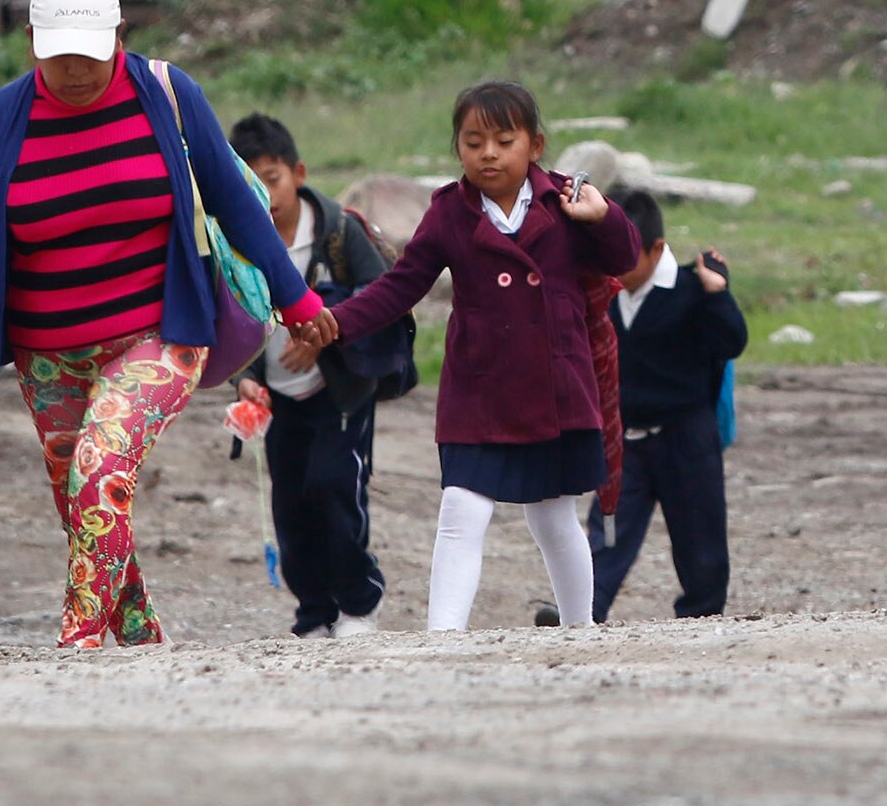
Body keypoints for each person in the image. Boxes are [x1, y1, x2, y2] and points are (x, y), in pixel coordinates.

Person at [0, 0, 330, 648]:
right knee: (85, 501)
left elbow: (238, 205)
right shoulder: (0, 120)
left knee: (100, 468)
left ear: (120, 34)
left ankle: (79, 638)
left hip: (157, 332)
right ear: (31, 41)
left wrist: (296, 298)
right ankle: (141, 635)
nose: (78, 71)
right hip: (46, 349)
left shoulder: (167, 94)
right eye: (60, 57)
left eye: (91, 55)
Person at [287, 79, 638, 631]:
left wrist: (604, 215)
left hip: (558, 386)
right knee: (461, 510)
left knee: (553, 516)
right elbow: (401, 285)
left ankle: (581, 629)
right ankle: (442, 639)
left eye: (504, 140)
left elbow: (622, 256)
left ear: (535, 145)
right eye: (474, 142)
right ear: (459, 149)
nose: (489, 153)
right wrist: (336, 322)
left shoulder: (568, 199)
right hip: (480, 392)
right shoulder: (450, 212)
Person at [229, 112, 398, 638]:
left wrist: (324, 338)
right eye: (250, 182)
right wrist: (246, 376)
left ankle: (358, 604)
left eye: (273, 178)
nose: (266, 193)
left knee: (335, 488)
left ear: (297, 172)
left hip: (339, 392)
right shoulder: (238, 242)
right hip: (278, 399)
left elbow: (382, 298)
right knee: (291, 505)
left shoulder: (339, 233)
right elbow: (236, 315)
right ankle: (313, 614)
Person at [585, 187, 748, 620]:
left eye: (625, 255)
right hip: (625, 442)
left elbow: (732, 341)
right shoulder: (601, 292)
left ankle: (701, 618)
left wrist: (718, 293)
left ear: (657, 248)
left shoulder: (691, 290)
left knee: (701, 540)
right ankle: (581, 612)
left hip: (686, 438)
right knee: (607, 535)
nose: (614, 265)